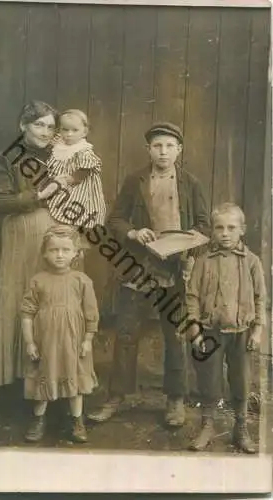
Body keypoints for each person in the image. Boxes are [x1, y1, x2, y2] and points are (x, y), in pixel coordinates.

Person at [88, 122, 209, 426]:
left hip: (176, 270)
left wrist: (190, 240)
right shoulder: (135, 181)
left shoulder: (190, 183)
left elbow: (205, 225)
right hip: (138, 268)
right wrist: (133, 232)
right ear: (148, 150)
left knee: (176, 336)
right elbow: (115, 220)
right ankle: (117, 396)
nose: (163, 152)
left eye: (169, 146)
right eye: (157, 146)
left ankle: (175, 400)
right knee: (126, 332)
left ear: (179, 149)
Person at [0, 101, 60, 404]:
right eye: (39, 125)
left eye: (51, 126)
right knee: (17, 297)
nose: (46, 132)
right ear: (23, 126)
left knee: (50, 298)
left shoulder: (60, 154)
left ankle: (47, 381)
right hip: (22, 234)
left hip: (56, 236)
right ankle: (9, 382)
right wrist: (37, 196)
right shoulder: (7, 157)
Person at [185, 202, 266, 453]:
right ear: (212, 231)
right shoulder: (203, 260)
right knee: (209, 380)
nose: (225, 233)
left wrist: (258, 330)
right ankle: (207, 426)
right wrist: (195, 329)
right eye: (219, 228)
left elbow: (261, 298)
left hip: (242, 333)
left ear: (242, 229)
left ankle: (240, 429)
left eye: (232, 228)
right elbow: (192, 296)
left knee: (241, 381)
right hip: (211, 331)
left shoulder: (252, 262)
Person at [21, 225, 99, 443]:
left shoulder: (81, 280)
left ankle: (77, 421)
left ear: (75, 253)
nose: (60, 255)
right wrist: (30, 343)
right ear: (45, 252)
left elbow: (91, 314)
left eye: (65, 250)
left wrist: (88, 340)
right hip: (45, 343)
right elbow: (27, 314)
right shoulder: (38, 280)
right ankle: (38, 419)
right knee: (43, 378)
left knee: (75, 382)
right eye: (54, 250)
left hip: (73, 344)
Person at [43, 108, 106, 261]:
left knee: (78, 215)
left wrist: (72, 178)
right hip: (62, 188)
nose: (69, 134)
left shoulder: (83, 151)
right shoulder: (60, 146)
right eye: (65, 130)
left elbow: (85, 170)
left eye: (74, 130)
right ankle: (66, 247)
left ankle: (77, 249)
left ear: (84, 132)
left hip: (80, 190)